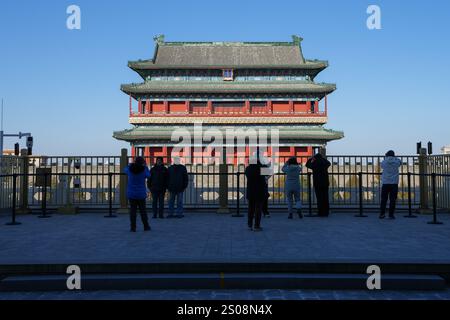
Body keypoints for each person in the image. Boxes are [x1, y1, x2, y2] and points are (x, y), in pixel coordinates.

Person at [124, 156, 151, 232]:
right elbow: (149, 175)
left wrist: (130, 164)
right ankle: (146, 226)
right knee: (143, 211)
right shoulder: (144, 170)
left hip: (131, 193)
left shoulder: (129, 169)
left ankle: (133, 227)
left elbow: (124, 169)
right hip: (141, 193)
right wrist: (145, 167)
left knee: (133, 211)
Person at [306, 153, 331, 217]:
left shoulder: (315, 164)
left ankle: (320, 212)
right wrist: (323, 158)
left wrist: (311, 159)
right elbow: (329, 163)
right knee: (325, 197)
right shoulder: (325, 164)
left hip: (317, 183)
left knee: (319, 198)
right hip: (325, 182)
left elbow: (307, 165)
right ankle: (326, 212)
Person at [245, 158, 266, 231]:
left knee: (250, 208)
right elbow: (270, 172)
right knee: (258, 209)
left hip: (250, 191)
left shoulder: (247, 169)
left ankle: (249, 224)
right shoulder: (261, 168)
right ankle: (257, 225)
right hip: (260, 191)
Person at [379, 150, 402, 219]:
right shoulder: (397, 162)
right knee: (392, 200)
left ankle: (382, 214)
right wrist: (395, 158)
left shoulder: (384, 162)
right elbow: (400, 162)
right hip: (394, 183)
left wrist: (386, 158)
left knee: (384, 199)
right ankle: (391, 214)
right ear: (393, 155)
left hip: (385, 183)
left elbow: (381, 166)